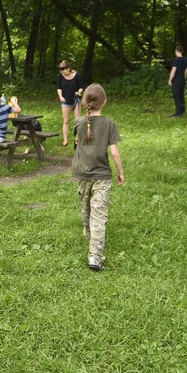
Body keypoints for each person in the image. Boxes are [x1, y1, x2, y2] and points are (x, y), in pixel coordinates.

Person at [72, 83, 125, 271]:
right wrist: (120, 172)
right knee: (99, 214)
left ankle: (89, 236)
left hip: (82, 172)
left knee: (86, 205)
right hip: (102, 175)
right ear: (105, 101)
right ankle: (95, 256)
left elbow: (77, 141)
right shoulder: (109, 124)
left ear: (86, 102)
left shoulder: (78, 122)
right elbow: (114, 152)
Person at [56, 60, 84, 146]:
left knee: (77, 120)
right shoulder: (60, 76)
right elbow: (59, 88)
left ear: (68, 68)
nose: (62, 72)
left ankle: (77, 138)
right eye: (61, 70)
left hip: (76, 100)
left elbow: (81, 87)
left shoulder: (77, 75)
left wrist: (78, 92)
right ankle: (65, 140)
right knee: (66, 120)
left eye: (63, 69)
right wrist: (60, 96)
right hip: (65, 101)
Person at [168, 45, 187, 117]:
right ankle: (182, 110)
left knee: (177, 96)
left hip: (176, 80)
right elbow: (186, 71)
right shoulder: (185, 60)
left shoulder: (176, 60)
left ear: (176, 51)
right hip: (182, 80)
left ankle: (178, 113)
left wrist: (170, 80)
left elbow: (173, 71)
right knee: (181, 95)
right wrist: (184, 78)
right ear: (182, 51)